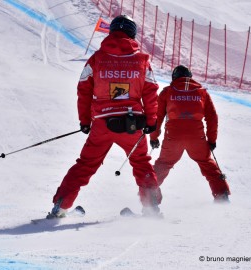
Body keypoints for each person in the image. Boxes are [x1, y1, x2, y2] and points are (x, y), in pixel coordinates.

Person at [48, 15, 162, 218]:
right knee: (142, 163)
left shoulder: (97, 59)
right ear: (132, 32)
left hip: (102, 124)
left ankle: (60, 207)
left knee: (85, 165)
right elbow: (151, 92)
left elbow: (83, 89)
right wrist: (151, 121)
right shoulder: (142, 60)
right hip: (132, 124)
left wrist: (84, 121)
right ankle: (151, 208)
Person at [149, 65, 231, 202]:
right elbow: (212, 117)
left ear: (174, 78)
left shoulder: (168, 91)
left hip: (173, 136)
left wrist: (154, 137)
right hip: (196, 136)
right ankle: (222, 195)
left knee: (163, 163)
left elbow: (157, 116)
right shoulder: (202, 92)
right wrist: (212, 140)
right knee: (206, 163)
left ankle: (149, 198)